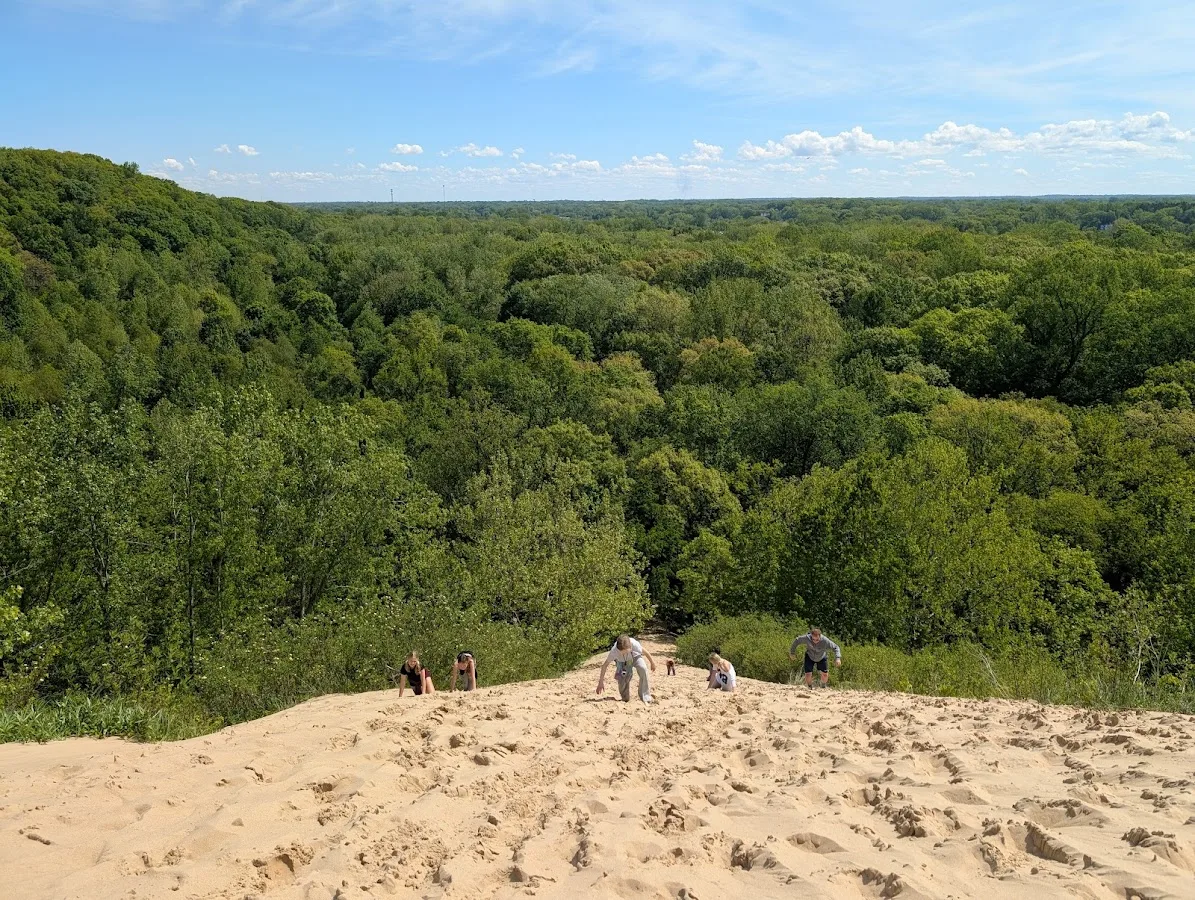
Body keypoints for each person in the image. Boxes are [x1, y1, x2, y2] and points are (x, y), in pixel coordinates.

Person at [596, 634, 655, 704]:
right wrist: (600, 682)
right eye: (623, 653)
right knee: (622, 679)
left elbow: (645, 652)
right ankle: (625, 698)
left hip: (635, 657)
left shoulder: (634, 644)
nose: (625, 653)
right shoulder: (614, 651)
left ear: (630, 646)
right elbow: (605, 665)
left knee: (643, 668)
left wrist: (652, 663)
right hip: (622, 662)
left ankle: (645, 696)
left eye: (627, 651)